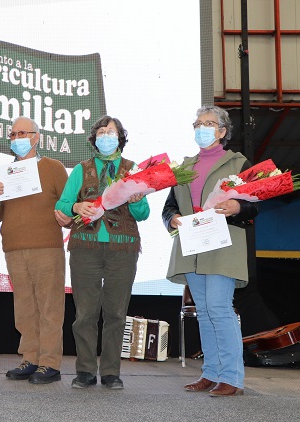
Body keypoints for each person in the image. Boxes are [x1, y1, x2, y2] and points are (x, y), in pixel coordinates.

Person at [163, 105, 257, 397]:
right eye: (197, 123)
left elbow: (255, 204)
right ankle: (211, 373)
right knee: (203, 312)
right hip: (191, 247)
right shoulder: (183, 167)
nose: (201, 128)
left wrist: (238, 206)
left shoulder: (239, 164)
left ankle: (231, 377)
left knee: (219, 308)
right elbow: (169, 208)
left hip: (223, 246)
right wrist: (172, 219)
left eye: (208, 123)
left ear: (222, 131)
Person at [55, 116, 149, 389]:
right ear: (94, 138)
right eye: (101, 132)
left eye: (111, 132)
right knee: (85, 313)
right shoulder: (81, 170)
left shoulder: (133, 170)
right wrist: (76, 207)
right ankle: (85, 370)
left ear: (121, 137)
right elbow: (63, 203)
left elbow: (143, 215)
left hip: (123, 248)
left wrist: (137, 200)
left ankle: (111, 372)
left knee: (117, 313)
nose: (106, 136)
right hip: (85, 247)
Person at [0, 116, 68, 384]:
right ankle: (30, 358)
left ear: (37, 137)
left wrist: (66, 215)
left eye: (23, 133)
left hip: (47, 247)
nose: (18, 138)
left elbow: (68, 205)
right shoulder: (5, 174)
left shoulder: (53, 168)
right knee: (24, 308)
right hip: (14, 249)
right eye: (13, 134)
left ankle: (50, 363)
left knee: (49, 307)